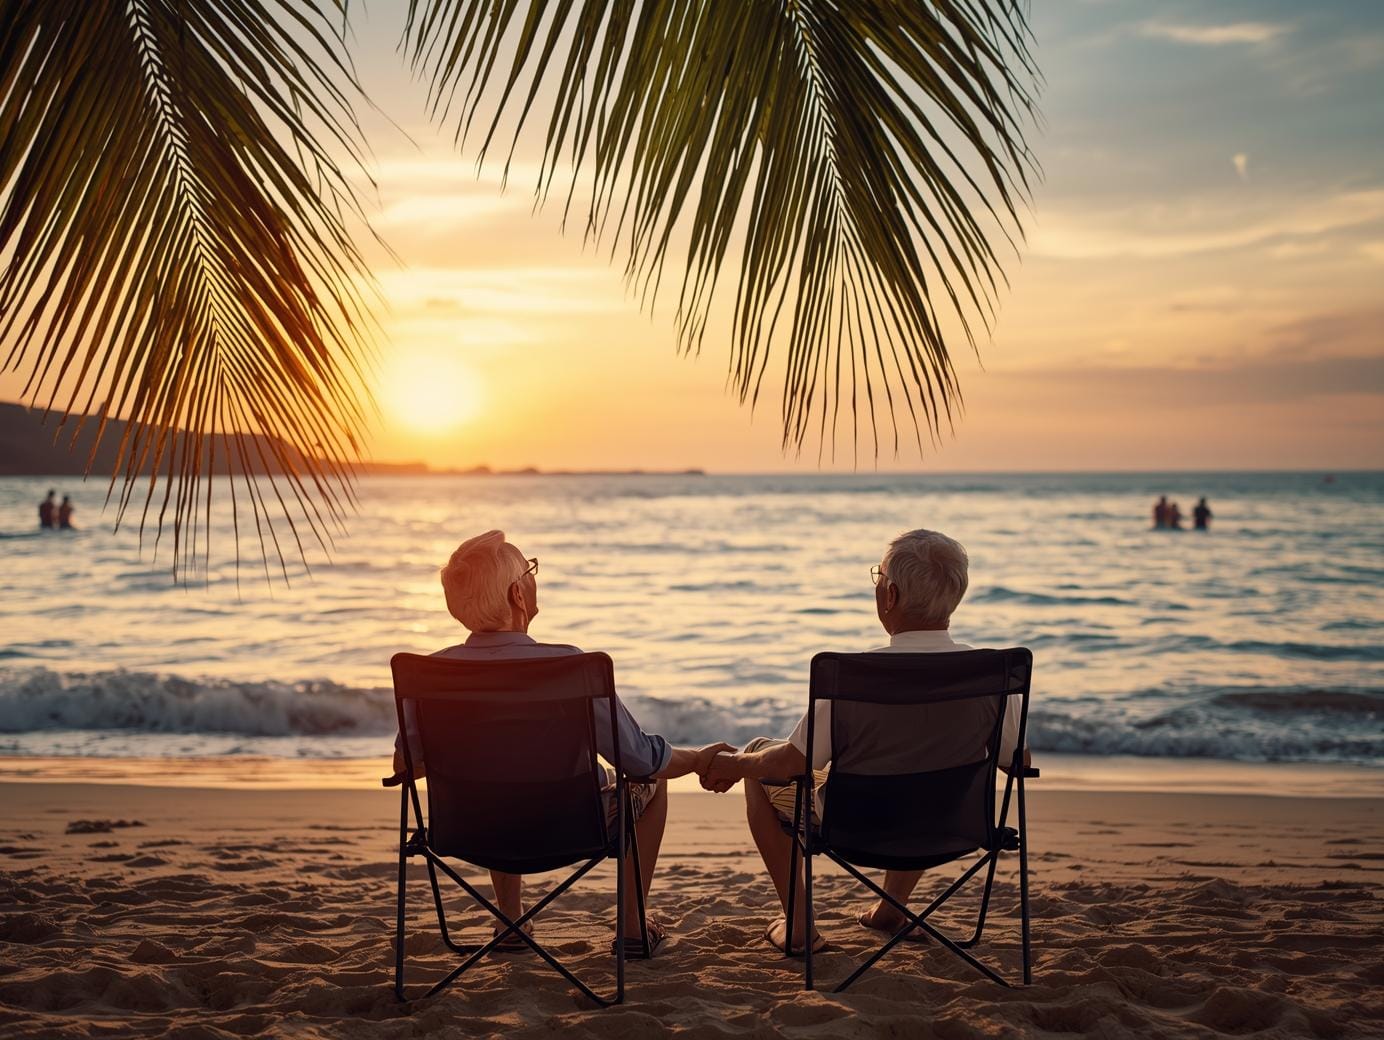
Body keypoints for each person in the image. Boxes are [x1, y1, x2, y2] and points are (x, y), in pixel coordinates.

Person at [391, 530, 730, 956]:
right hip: (569, 827)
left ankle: (510, 922)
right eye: (529, 570)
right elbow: (640, 759)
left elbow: (407, 767)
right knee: (651, 784)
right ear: (518, 594)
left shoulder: (427, 676)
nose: (534, 578)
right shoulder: (571, 666)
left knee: (498, 784)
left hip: (466, 828)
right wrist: (700, 759)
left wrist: (486, 747)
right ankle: (631, 928)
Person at [702, 528, 1029, 955]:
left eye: (878, 578)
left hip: (856, 825)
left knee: (759, 757)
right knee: (920, 768)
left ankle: (799, 925)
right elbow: (1017, 762)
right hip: (953, 823)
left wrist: (733, 764)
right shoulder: (991, 676)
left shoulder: (854, 677)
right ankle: (891, 911)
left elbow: (788, 765)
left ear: (890, 595)